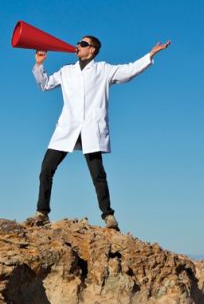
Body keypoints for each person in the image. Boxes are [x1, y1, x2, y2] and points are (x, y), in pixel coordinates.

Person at [26, 36, 171, 230]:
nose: (78, 45)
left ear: (92, 50)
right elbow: (44, 85)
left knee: (98, 174)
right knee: (46, 169)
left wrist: (150, 55)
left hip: (91, 129)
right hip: (67, 128)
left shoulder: (103, 69)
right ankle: (42, 213)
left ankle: (109, 216)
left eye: (83, 44)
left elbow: (128, 71)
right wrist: (39, 65)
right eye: (78, 42)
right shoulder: (66, 71)